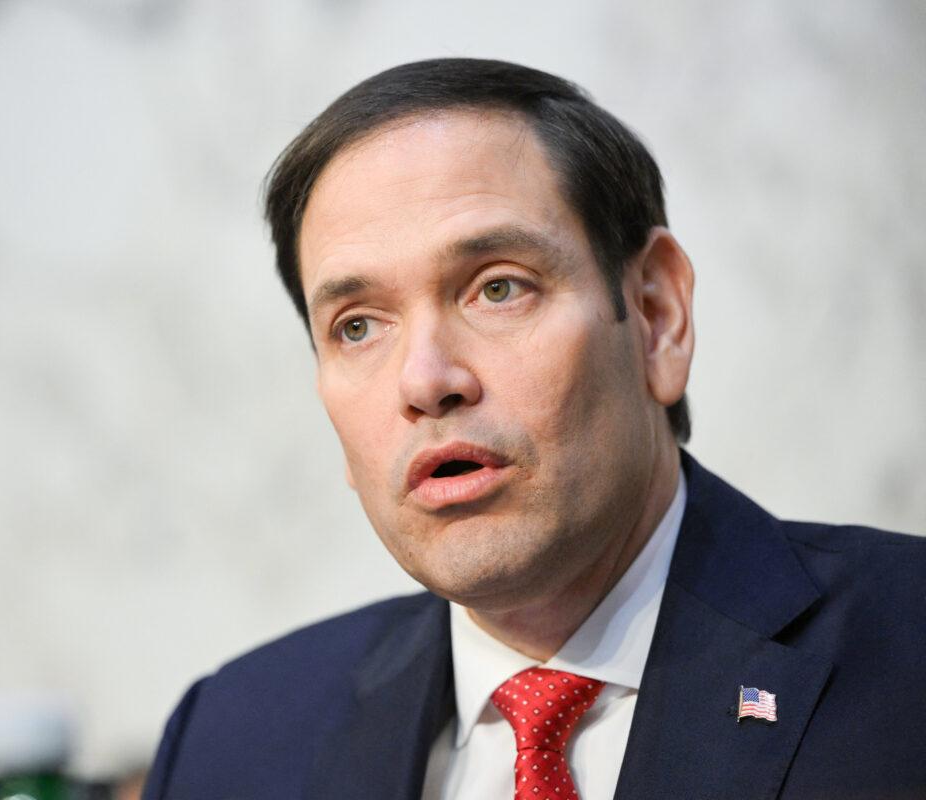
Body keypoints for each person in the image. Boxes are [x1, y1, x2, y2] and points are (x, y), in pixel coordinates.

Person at [141, 59, 926, 800]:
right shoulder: (234, 742)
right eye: (357, 327)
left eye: (497, 288)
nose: (424, 381)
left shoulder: (907, 654)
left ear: (656, 317)